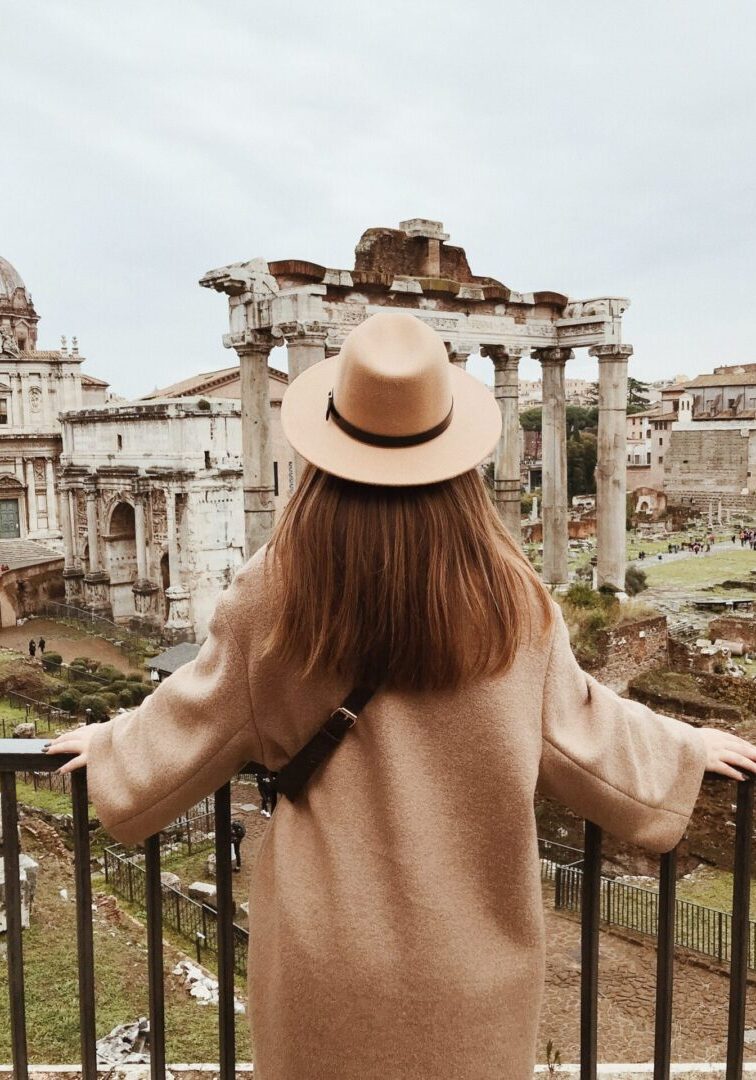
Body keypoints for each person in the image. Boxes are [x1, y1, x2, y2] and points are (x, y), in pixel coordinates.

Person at [42, 312, 756, 1080]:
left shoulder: (273, 596)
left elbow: (195, 720)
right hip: (471, 972)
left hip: (325, 966)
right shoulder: (511, 603)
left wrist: (111, 746)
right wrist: (685, 750)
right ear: (453, 456)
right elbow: (586, 731)